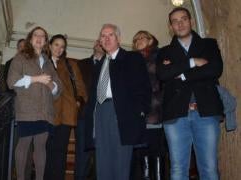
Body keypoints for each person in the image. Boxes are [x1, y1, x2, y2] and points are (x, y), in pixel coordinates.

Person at [157, 7, 223, 180]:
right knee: (178, 169)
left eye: (183, 19)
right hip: (175, 115)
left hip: (206, 112)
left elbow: (215, 69)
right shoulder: (163, 51)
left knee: (209, 168)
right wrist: (193, 62)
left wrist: (183, 74)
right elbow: (163, 74)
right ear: (170, 27)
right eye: (175, 21)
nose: (180, 24)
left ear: (191, 21)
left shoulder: (209, 44)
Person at [84, 23, 152, 180]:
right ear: (99, 41)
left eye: (110, 35)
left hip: (122, 114)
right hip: (100, 113)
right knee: (102, 161)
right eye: (103, 36)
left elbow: (144, 87)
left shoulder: (132, 58)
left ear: (119, 38)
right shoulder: (100, 63)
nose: (106, 39)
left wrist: (139, 112)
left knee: (120, 162)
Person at [7, 26, 61, 180]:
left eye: (43, 36)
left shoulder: (49, 62)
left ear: (45, 41)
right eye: (36, 35)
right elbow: (11, 81)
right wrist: (36, 79)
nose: (39, 38)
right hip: (27, 109)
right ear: (30, 39)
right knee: (24, 144)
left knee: (40, 147)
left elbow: (59, 89)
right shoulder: (21, 58)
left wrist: (51, 85)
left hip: (46, 111)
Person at [44, 34, 87, 180]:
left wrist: (78, 102)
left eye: (62, 46)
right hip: (46, 113)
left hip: (66, 113)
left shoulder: (70, 65)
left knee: (60, 151)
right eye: (56, 45)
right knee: (45, 151)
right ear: (49, 45)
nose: (59, 49)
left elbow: (81, 87)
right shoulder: (41, 63)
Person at [130, 30, 166, 180]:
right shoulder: (132, 59)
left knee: (156, 150)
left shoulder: (160, 55)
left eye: (142, 38)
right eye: (135, 39)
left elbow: (163, 80)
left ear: (150, 40)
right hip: (138, 113)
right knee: (141, 152)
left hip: (155, 110)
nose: (138, 41)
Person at [75, 39, 105, 180]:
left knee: (102, 154)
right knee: (82, 153)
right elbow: (75, 88)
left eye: (103, 42)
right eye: (98, 41)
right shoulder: (81, 64)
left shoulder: (111, 64)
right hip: (84, 115)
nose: (100, 43)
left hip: (104, 116)